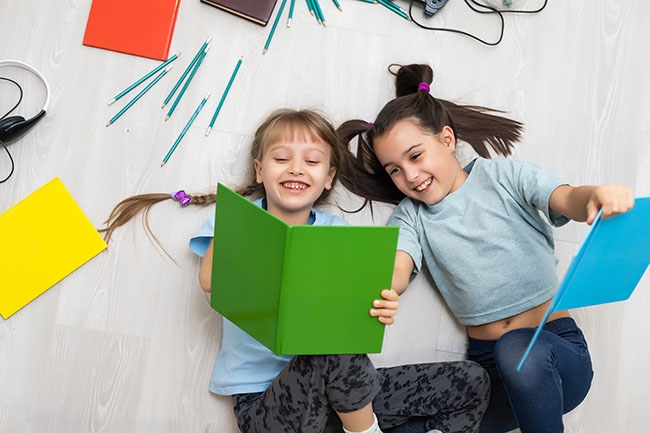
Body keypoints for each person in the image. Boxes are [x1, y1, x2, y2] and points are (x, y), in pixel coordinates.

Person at [100, 108, 490, 433]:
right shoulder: (238, 219)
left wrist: (380, 306)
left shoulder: (337, 233)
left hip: (345, 399)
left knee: (472, 382)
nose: (296, 169)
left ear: (328, 178)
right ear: (260, 170)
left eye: (312, 162)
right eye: (282, 159)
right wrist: (244, 233)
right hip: (269, 405)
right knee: (326, 343)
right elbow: (209, 280)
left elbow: (357, 313)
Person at [336, 64, 635, 433]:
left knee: (517, 352)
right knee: (379, 414)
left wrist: (596, 196)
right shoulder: (411, 216)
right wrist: (384, 287)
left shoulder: (503, 177)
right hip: (487, 371)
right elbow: (398, 264)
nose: (410, 176)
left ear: (446, 139)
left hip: (553, 351)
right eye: (394, 170)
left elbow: (567, 197)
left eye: (415, 157)